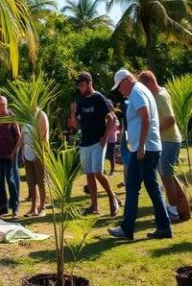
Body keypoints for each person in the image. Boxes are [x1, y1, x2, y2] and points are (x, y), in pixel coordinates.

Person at [108, 69, 172, 240]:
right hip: (150, 147)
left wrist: (141, 145)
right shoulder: (141, 91)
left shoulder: (136, 92)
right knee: (152, 187)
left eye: (120, 86)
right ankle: (164, 227)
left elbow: (145, 116)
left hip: (144, 149)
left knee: (132, 187)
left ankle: (127, 229)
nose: (120, 91)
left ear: (127, 80)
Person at [70, 72, 120, 216]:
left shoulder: (99, 98)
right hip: (85, 142)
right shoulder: (80, 101)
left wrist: (105, 137)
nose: (80, 88)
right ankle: (94, 206)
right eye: (78, 85)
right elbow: (76, 125)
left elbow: (111, 118)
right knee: (89, 174)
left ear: (89, 83)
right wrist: (73, 114)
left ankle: (112, 197)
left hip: (98, 142)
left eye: (82, 85)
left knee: (98, 172)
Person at [139, 70, 184, 220]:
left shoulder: (161, 96)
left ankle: (173, 210)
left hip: (169, 140)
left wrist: (154, 132)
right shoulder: (157, 94)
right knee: (166, 176)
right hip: (164, 140)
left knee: (166, 175)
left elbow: (171, 119)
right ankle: (174, 205)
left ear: (151, 82)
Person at [0, 96, 21, 218]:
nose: (1, 106)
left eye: (3, 104)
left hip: (10, 155)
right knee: (0, 182)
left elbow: (18, 136)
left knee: (11, 181)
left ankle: (15, 208)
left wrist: (15, 152)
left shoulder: (11, 117)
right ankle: (3, 207)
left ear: (6, 105)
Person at [18, 103, 49, 218]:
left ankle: (42, 207)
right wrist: (17, 150)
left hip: (39, 154)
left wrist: (38, 154)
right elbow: (23, 136)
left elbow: (42, 137)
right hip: (27, 153)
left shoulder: (41, 115)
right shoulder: (26, 117)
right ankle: (33, 208)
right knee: (31, 182)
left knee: (41, 182)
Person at [105, 112, 119, 177]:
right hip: (109, 139)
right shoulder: (114, 117)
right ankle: (106, 171)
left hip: (111, 140)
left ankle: (112, 171)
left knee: (111, 156)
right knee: (108, 156)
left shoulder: (112, 117)